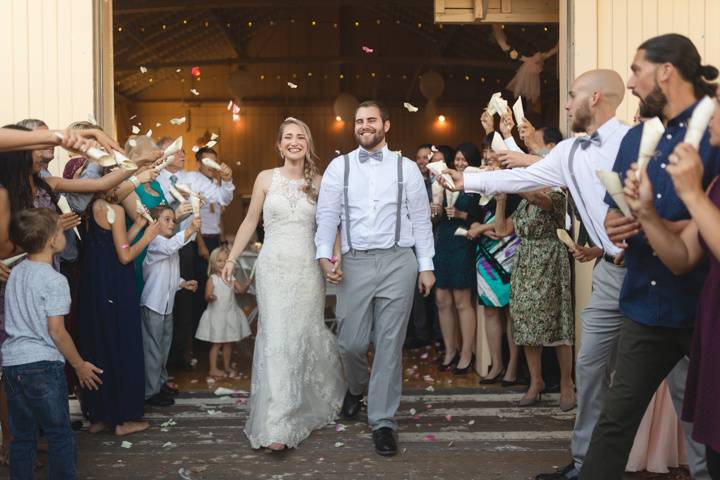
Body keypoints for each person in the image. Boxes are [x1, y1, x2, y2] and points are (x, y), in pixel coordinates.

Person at [437, 69, 702, 480]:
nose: (565, 103)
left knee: (685, 380)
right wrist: (467, 179)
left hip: (658, 274)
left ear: (595, 98)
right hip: (611, 275)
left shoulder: (637, 140)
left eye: (571, 95)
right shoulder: (571, 151)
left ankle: (705, 468)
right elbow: (522, 176)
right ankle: (583, 464)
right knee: (590, 365)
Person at [579, 33, 719, 480]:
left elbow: (701, 219)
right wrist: (618, 226)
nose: (632, 83)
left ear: (665, 71)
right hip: (644, 300)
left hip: (702, 306)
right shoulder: (638, 136)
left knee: (706, 426)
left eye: (637, 70)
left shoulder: (715, 130)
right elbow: (615, 213)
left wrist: (667, 209)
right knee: (616, 421)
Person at [315, 101, 435, 457]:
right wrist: (324, 256)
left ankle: (383, 420)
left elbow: (421, 218)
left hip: (399, 261)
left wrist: (426, 264)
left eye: (371, 120)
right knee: (349, 342)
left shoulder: (408, 168)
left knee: (388, 344)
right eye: (359, 121)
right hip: (354, 263)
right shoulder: (340, 167)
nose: (364, 125)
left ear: (386, 125)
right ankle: (357, 387)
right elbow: (327, 216)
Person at [222, 117, 345, 451]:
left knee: (304, 335)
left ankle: (309, 400)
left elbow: (332, 226)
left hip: (307, 270)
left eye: (300, 137)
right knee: (276, 340)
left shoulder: (319, 183)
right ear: (278, 145)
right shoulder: (265, 178)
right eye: (287, 137)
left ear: (308, 143)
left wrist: (335, 258)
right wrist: (232, 258)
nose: (294, 142)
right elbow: (250, 221)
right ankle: (279, 422)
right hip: (273, 269)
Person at [621, 96, 720, 477]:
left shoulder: (703, 187)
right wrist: (644, 212)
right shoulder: (716, 185)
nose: (709, 117)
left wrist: (691, 193)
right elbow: (681, 258)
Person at [2, 208, 102, 479]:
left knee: (22, 437)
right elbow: (57, 332)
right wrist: (79, 365)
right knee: (59, 434)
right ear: (52, 241)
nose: (64, 236)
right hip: (42, 365)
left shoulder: (15, 273)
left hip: (12, 364)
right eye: (60, 231)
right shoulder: (55, 280)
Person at [77, 192, 161, 436]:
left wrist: (139, 225)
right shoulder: (116, 210)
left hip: (96, 285)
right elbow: (125, 256)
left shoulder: (91, 208)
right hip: (116, 284)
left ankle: (100, 416)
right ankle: (123, 419)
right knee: (121, 342)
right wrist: (149, 236)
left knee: (100, 342)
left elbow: (115, 244)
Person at [155, 137, 234, 372]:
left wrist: (228, 182)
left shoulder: (192, 178)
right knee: (158, 300)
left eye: (183, 151)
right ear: (162, 154)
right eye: (178, 151)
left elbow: (222, 197)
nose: (183, 155)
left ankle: (178, 355)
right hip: (155, 246)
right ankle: (157, 363)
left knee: (184, 300)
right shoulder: (152, 177)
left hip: (184, 246)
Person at [493, 188, 575, 410]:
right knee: (527, 323)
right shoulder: (522, 204)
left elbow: (537, 198)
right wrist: (500, 198)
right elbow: (501, 230)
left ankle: (566, 383)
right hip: (525, 265)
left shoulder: (555, 197)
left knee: (556, 321)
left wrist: (510, 181)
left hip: (550, 262)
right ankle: (536, 380)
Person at [466, 136, 521, 386]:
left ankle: (512, 365)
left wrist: (482, 228)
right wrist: (478, 226)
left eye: (492, 150)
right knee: (490, 311)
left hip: (510, 250)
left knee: (511, 312)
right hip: (485, 255)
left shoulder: (515, 179)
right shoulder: (481, 181)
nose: (488, 155)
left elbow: (515, 219)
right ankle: (496, 362)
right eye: (485, 150)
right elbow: (472, 216)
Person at [140, 206, 199, 407]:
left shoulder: (170, 247)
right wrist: (189, 230)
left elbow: (169, 274)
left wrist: (182, 283)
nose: (172, 223)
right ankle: (150, 391)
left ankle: (160, 383)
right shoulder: (155, 243)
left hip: (167, 306)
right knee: (153, 350)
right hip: (153, 304)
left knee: (164, 348)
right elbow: (170, 247)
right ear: (155, 223)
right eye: (167, 219)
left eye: (173, 220)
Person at [433, 142, 481, 373]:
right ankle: (450, 350)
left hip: (463, 242)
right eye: (458, 160)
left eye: (464, 160)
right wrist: (436, 210)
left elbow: (480, 214)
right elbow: (436, 216)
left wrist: (462, 213)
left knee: (462, 301)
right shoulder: (444, 182)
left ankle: (466, 352)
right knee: (442, 298)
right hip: (444, 240)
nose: (460, 163)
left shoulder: (475, 184)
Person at [196, 246, 251, 378]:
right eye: (219, 261)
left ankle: (226, 366)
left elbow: (241, 291)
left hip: (230, 315)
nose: (222, 263)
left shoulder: (231, 278)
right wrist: (211, 297)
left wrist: (246, 285)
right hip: (217, 316)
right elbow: (207, 295)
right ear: (213, 263)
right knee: (216, 344)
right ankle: (213, 368)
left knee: (228, 343)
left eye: (226, 261)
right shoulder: (212, 279)